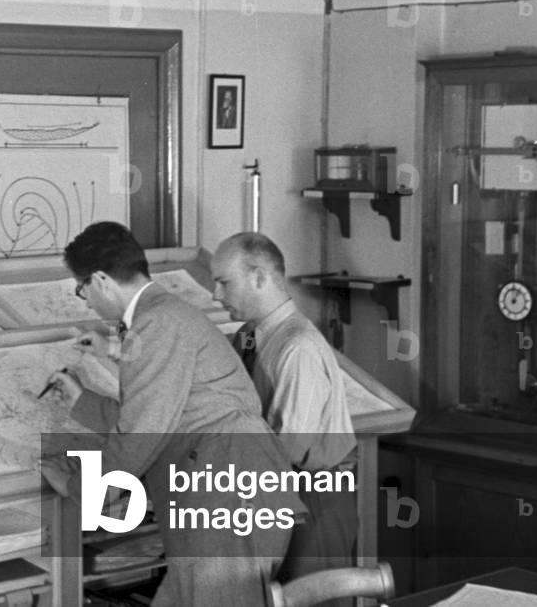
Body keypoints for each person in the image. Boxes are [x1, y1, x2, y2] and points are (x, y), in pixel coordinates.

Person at [39, 221, 305, 607]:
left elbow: (141, 436)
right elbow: (162, 413)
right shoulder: (161, 316)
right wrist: (81, 400)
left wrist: (75, 488)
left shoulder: (156, 324)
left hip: (225, 496)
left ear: (99, 279)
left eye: (82, 288)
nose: (85, 299)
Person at [211, 232, 358, 602]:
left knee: (309, 598)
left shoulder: (297, 348)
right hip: (274, 494)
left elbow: (286, 448)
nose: (215, 294)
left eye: (224, 282)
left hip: (312, 499)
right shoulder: (250, 335)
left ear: (259, 278)